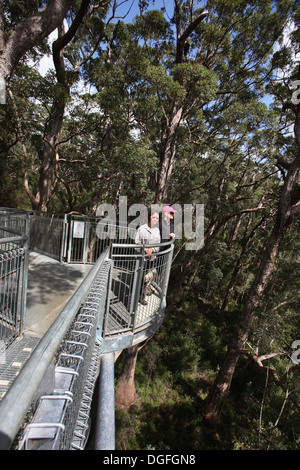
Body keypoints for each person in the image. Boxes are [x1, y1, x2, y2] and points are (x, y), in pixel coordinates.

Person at [135, 210, 160, 305]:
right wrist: (145, 250)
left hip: (151, 260)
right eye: (153, 217)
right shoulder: (142, 228)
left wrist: (153, 250)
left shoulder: (157, 231)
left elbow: (158, 245)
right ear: (149, 217)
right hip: (141, 259)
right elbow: (136, 242)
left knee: (145, 280)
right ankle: (131, 302)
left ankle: (141, 298)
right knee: (136, 280)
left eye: (157, 218)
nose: (155, 220)